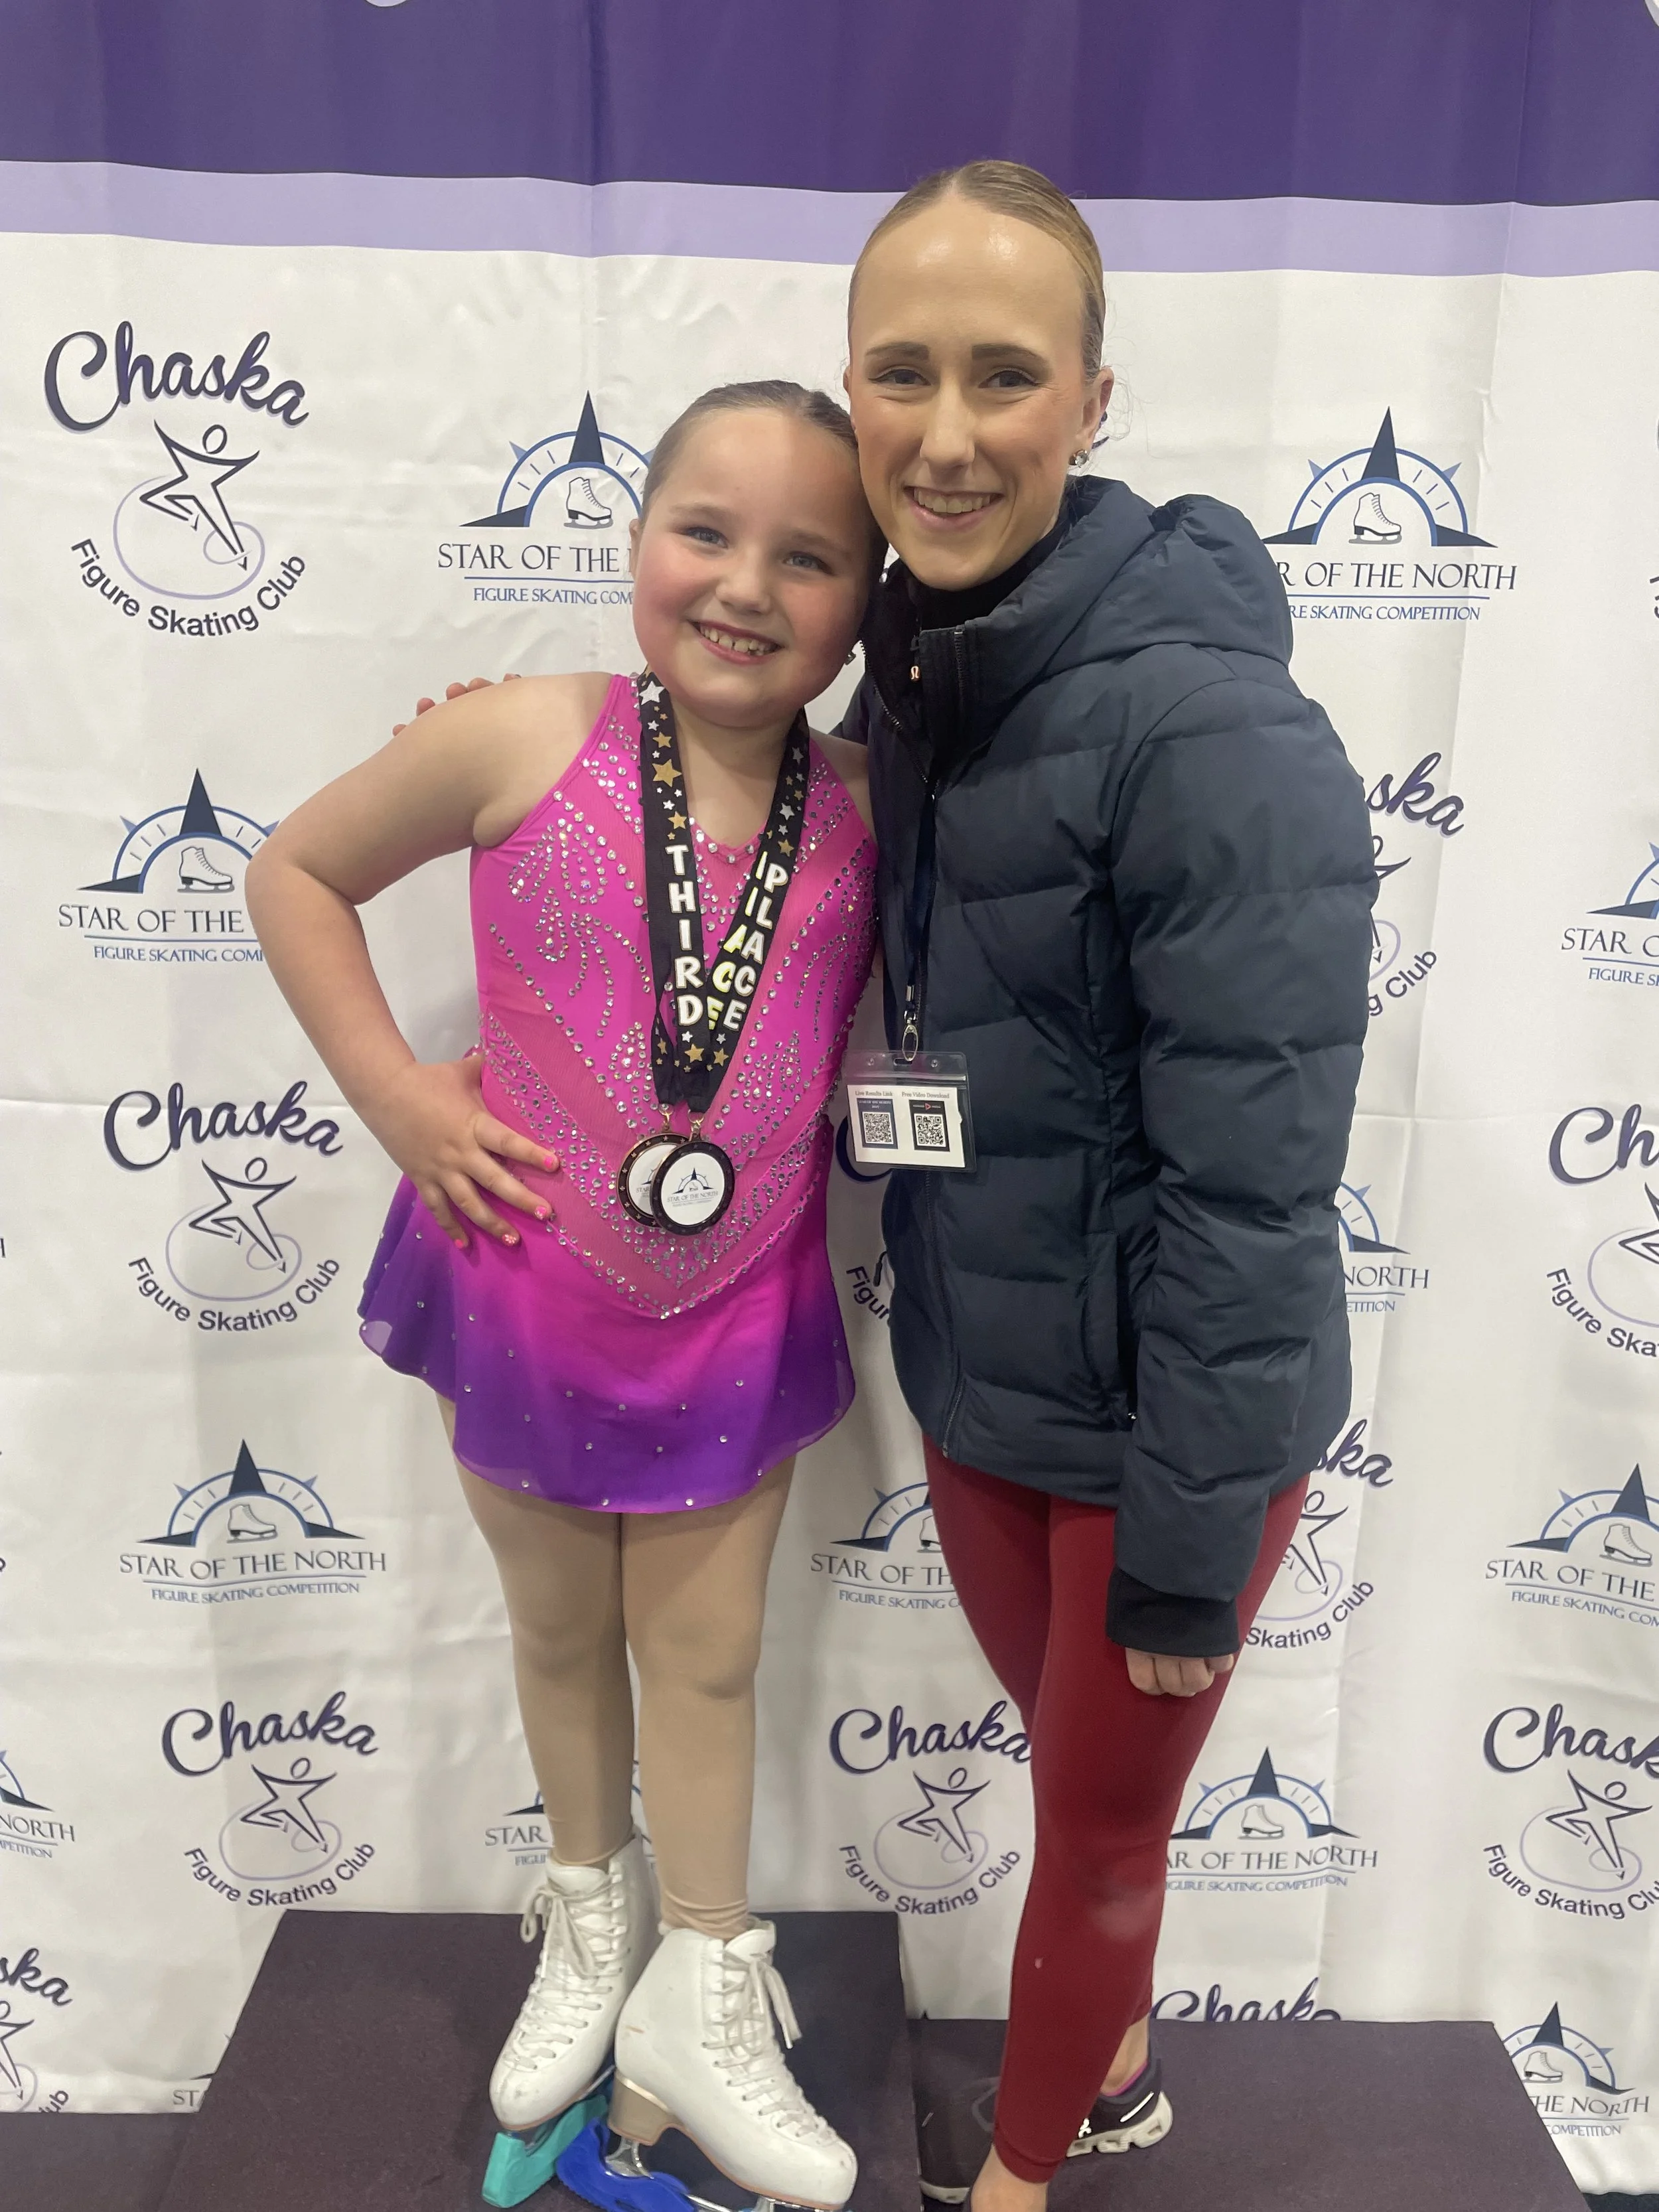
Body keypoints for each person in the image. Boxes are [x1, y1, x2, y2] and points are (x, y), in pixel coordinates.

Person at [246, 381, 883, 2212]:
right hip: (525, 1281)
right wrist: (394, 1092)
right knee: (551, 1631)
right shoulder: (519, 732)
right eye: (706, 529)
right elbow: (293, 869)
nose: (746, 583)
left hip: (736, 1302)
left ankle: (704, 1976)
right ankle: (589, 1926)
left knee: (705, 1650)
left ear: (863, 602)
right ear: (631, 537)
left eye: (809, 555)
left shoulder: (864, 802)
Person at [835, 163, 1376, 2209]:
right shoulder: (921, 683)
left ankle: (1026, 2175)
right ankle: (1120, 2062)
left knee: (1095, 1839)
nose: (947, 431)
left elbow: (1257, 1190)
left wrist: (1181, 1532)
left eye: (1003, 374)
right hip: (982, 1388)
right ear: (851, 389)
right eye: (902, 372)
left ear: (1091, 397)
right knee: (1072, 1789)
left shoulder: (1215, 731)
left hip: (1160, 1445)